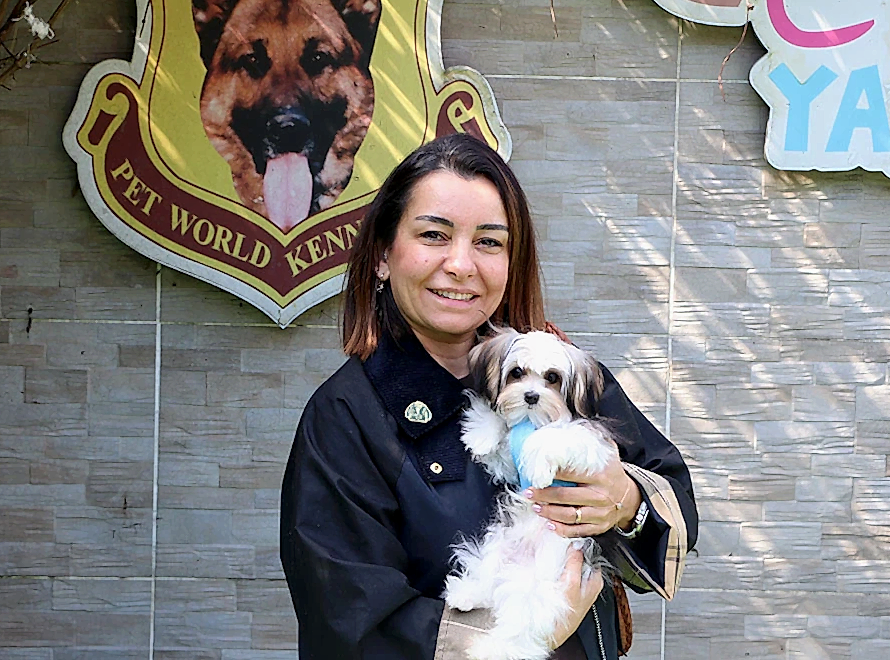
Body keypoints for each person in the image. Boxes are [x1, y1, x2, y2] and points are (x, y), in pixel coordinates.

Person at [280, 134, 698, 659]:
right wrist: (513, 638)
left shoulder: (563, 375)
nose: (461, 264)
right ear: (383, 255)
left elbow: (672, 494)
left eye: (489, 242)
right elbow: (349, 617)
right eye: (434, 235)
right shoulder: (345, 417)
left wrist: (625, 501)